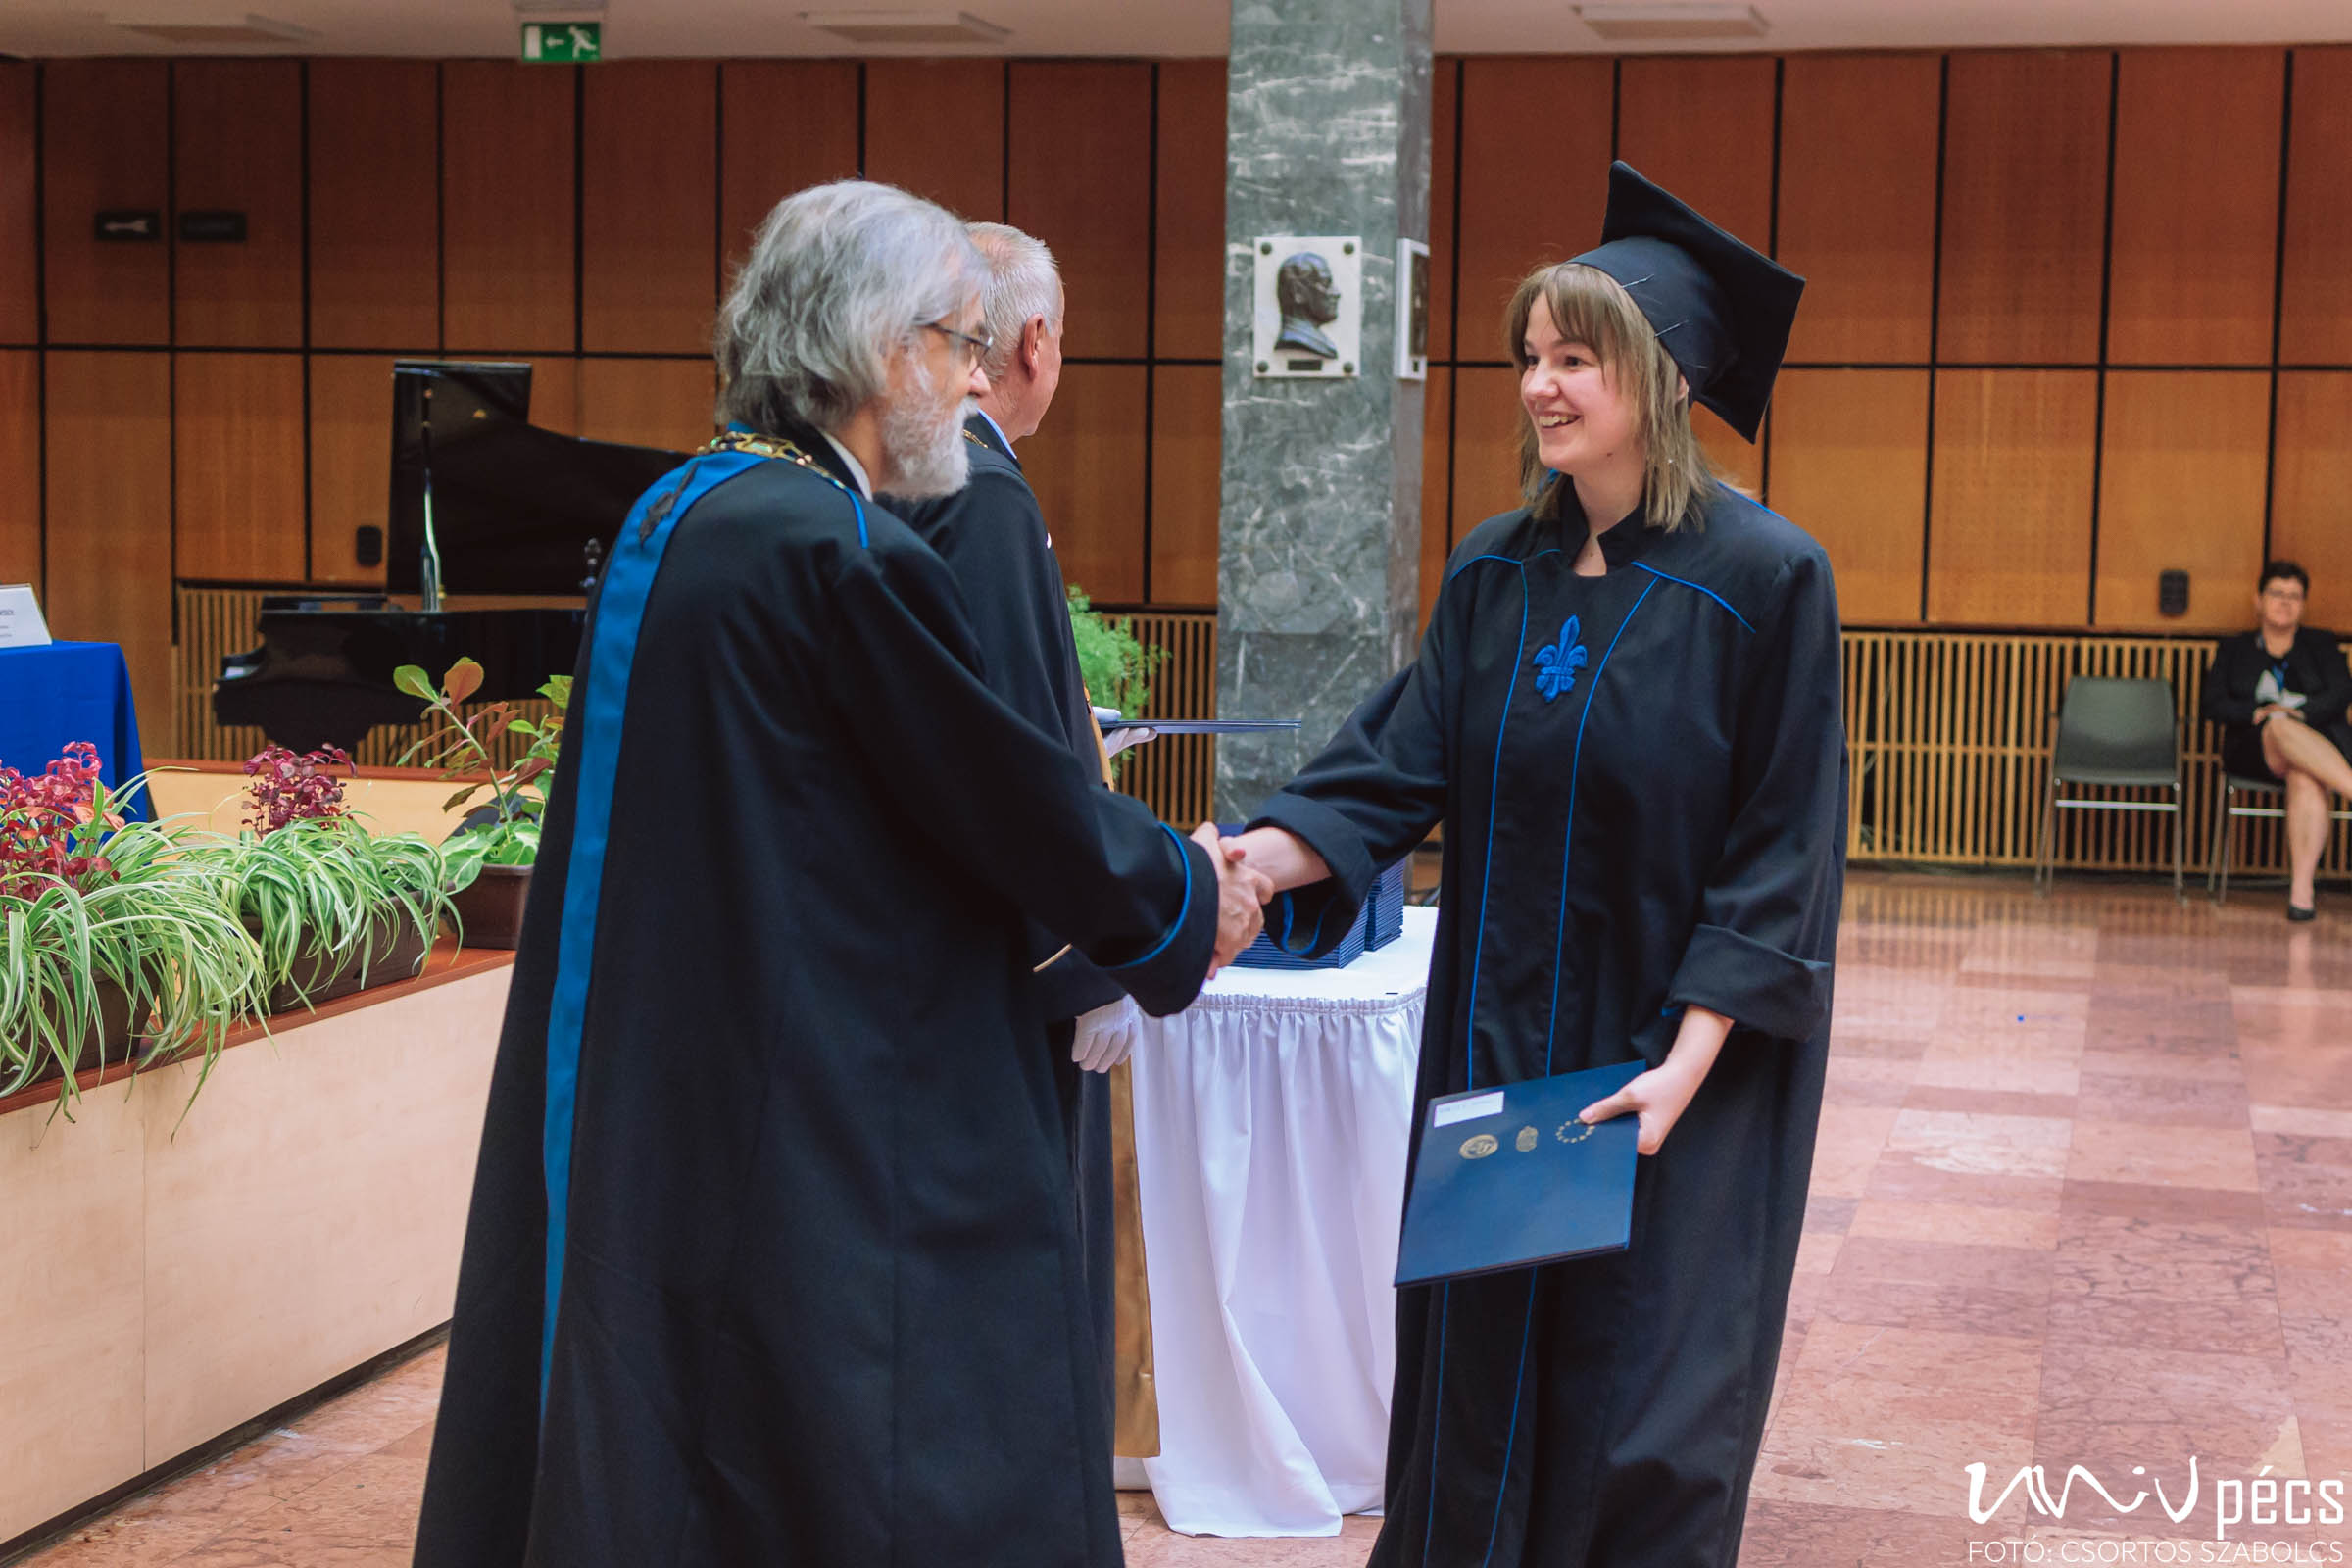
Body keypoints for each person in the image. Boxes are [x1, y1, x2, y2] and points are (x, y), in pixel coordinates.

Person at [412, 180, 1268, 1567]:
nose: (975, 380)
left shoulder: (688, 508)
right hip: (802, 1076)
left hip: (671, 1052)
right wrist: (1183, 890)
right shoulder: (839, 551)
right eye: (960, 344)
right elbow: (1011, 803)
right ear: (884, 349)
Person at [1221, 162, 1845, 1566]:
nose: (1539, 386)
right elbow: (1392, 763)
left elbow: (1782, 847)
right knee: (1478, 1381)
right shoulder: (1495, 572)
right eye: (1530, 356)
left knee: (1641, 1397)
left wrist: (1686, 1064)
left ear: (1663, 378)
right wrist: (1245, 864)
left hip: (1666, 1066)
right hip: (1499, 1051)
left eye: (1574, 359)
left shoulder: (1765, 580)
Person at [881, 220, 1157, 1453]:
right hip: (1010, 968)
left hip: (934, 953)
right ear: (1034, 342)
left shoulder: (907, 469)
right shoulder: (982, 489)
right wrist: (1088, 962)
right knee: (1032, 1269)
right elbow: (1009, 755)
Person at [2200, 560, 2352, 920]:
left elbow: (2341, 693)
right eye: (2277, 594)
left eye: (2294, 596)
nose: (2285, 602)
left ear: (2303, 604)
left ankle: (2302, 895)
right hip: (2254, 747)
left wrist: (2301, 713)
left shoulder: (2320, 644)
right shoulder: (2235, 648)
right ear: (2258, 600)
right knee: (2278, 727)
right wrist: (2256, 712)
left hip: (2315, 745)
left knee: (2306, 778)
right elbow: (2212, 702)